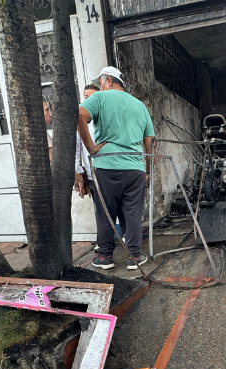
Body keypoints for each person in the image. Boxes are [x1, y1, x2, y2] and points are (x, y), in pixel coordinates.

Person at [78, 67, 154, 270]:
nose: (100, 86)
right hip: (135, 167)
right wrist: (148, 171)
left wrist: (91, 148)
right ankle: (134, 257)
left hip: (106, 165)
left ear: (109, 80)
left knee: (105, 212)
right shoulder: (139, 105)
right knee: (133, 213)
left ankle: (105, 257)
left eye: (101, 82)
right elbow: (150, 143)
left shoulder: (100, 98)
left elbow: (79, 115)